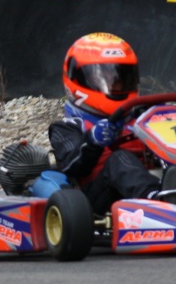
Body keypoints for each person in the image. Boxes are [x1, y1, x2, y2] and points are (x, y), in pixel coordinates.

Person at [46, 32, 163, 212]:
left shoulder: (142, 115)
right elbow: (71, 166)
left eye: (119, 78)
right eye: (104, 77)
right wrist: (92, 141)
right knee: (119, 158)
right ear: (77, 78)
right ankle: (160, 203)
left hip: (149, 181)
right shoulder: (67, 127)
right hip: (96, 201)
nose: (114, 84)